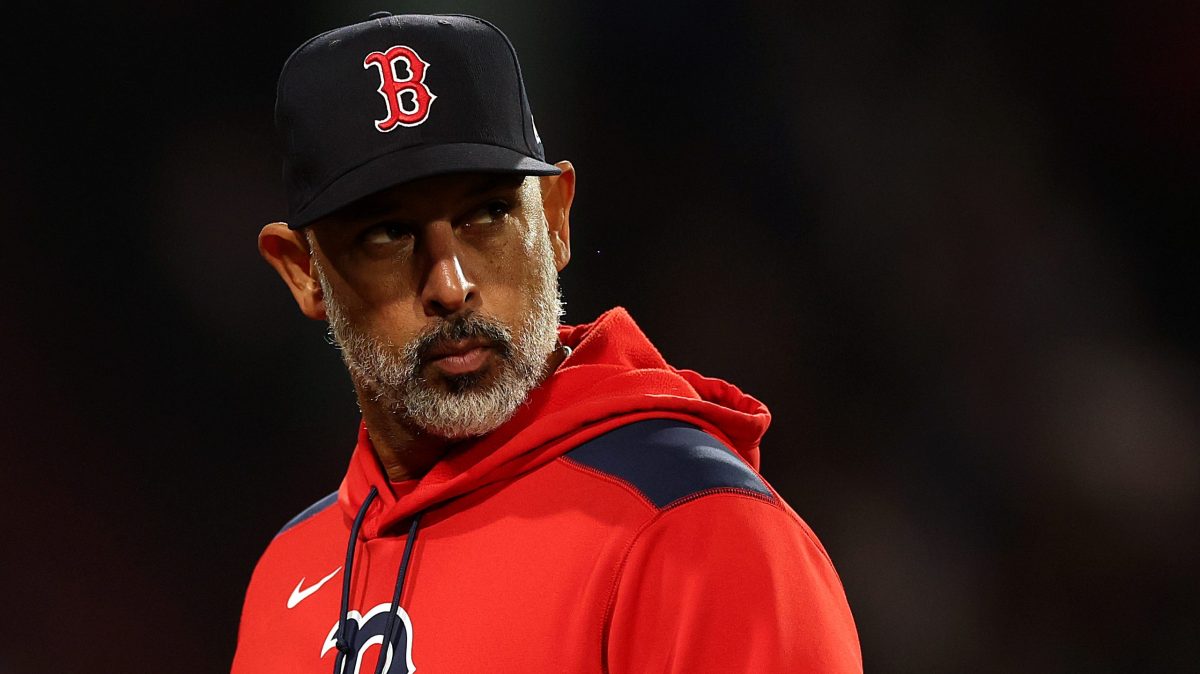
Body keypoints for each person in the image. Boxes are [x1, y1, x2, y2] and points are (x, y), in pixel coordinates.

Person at [231, 11, 861, 674]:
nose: (451, 285)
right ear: (303, 272)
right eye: (387, 234)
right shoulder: (288, 573)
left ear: (555, 219)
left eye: (488, 213)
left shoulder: (691, 530)